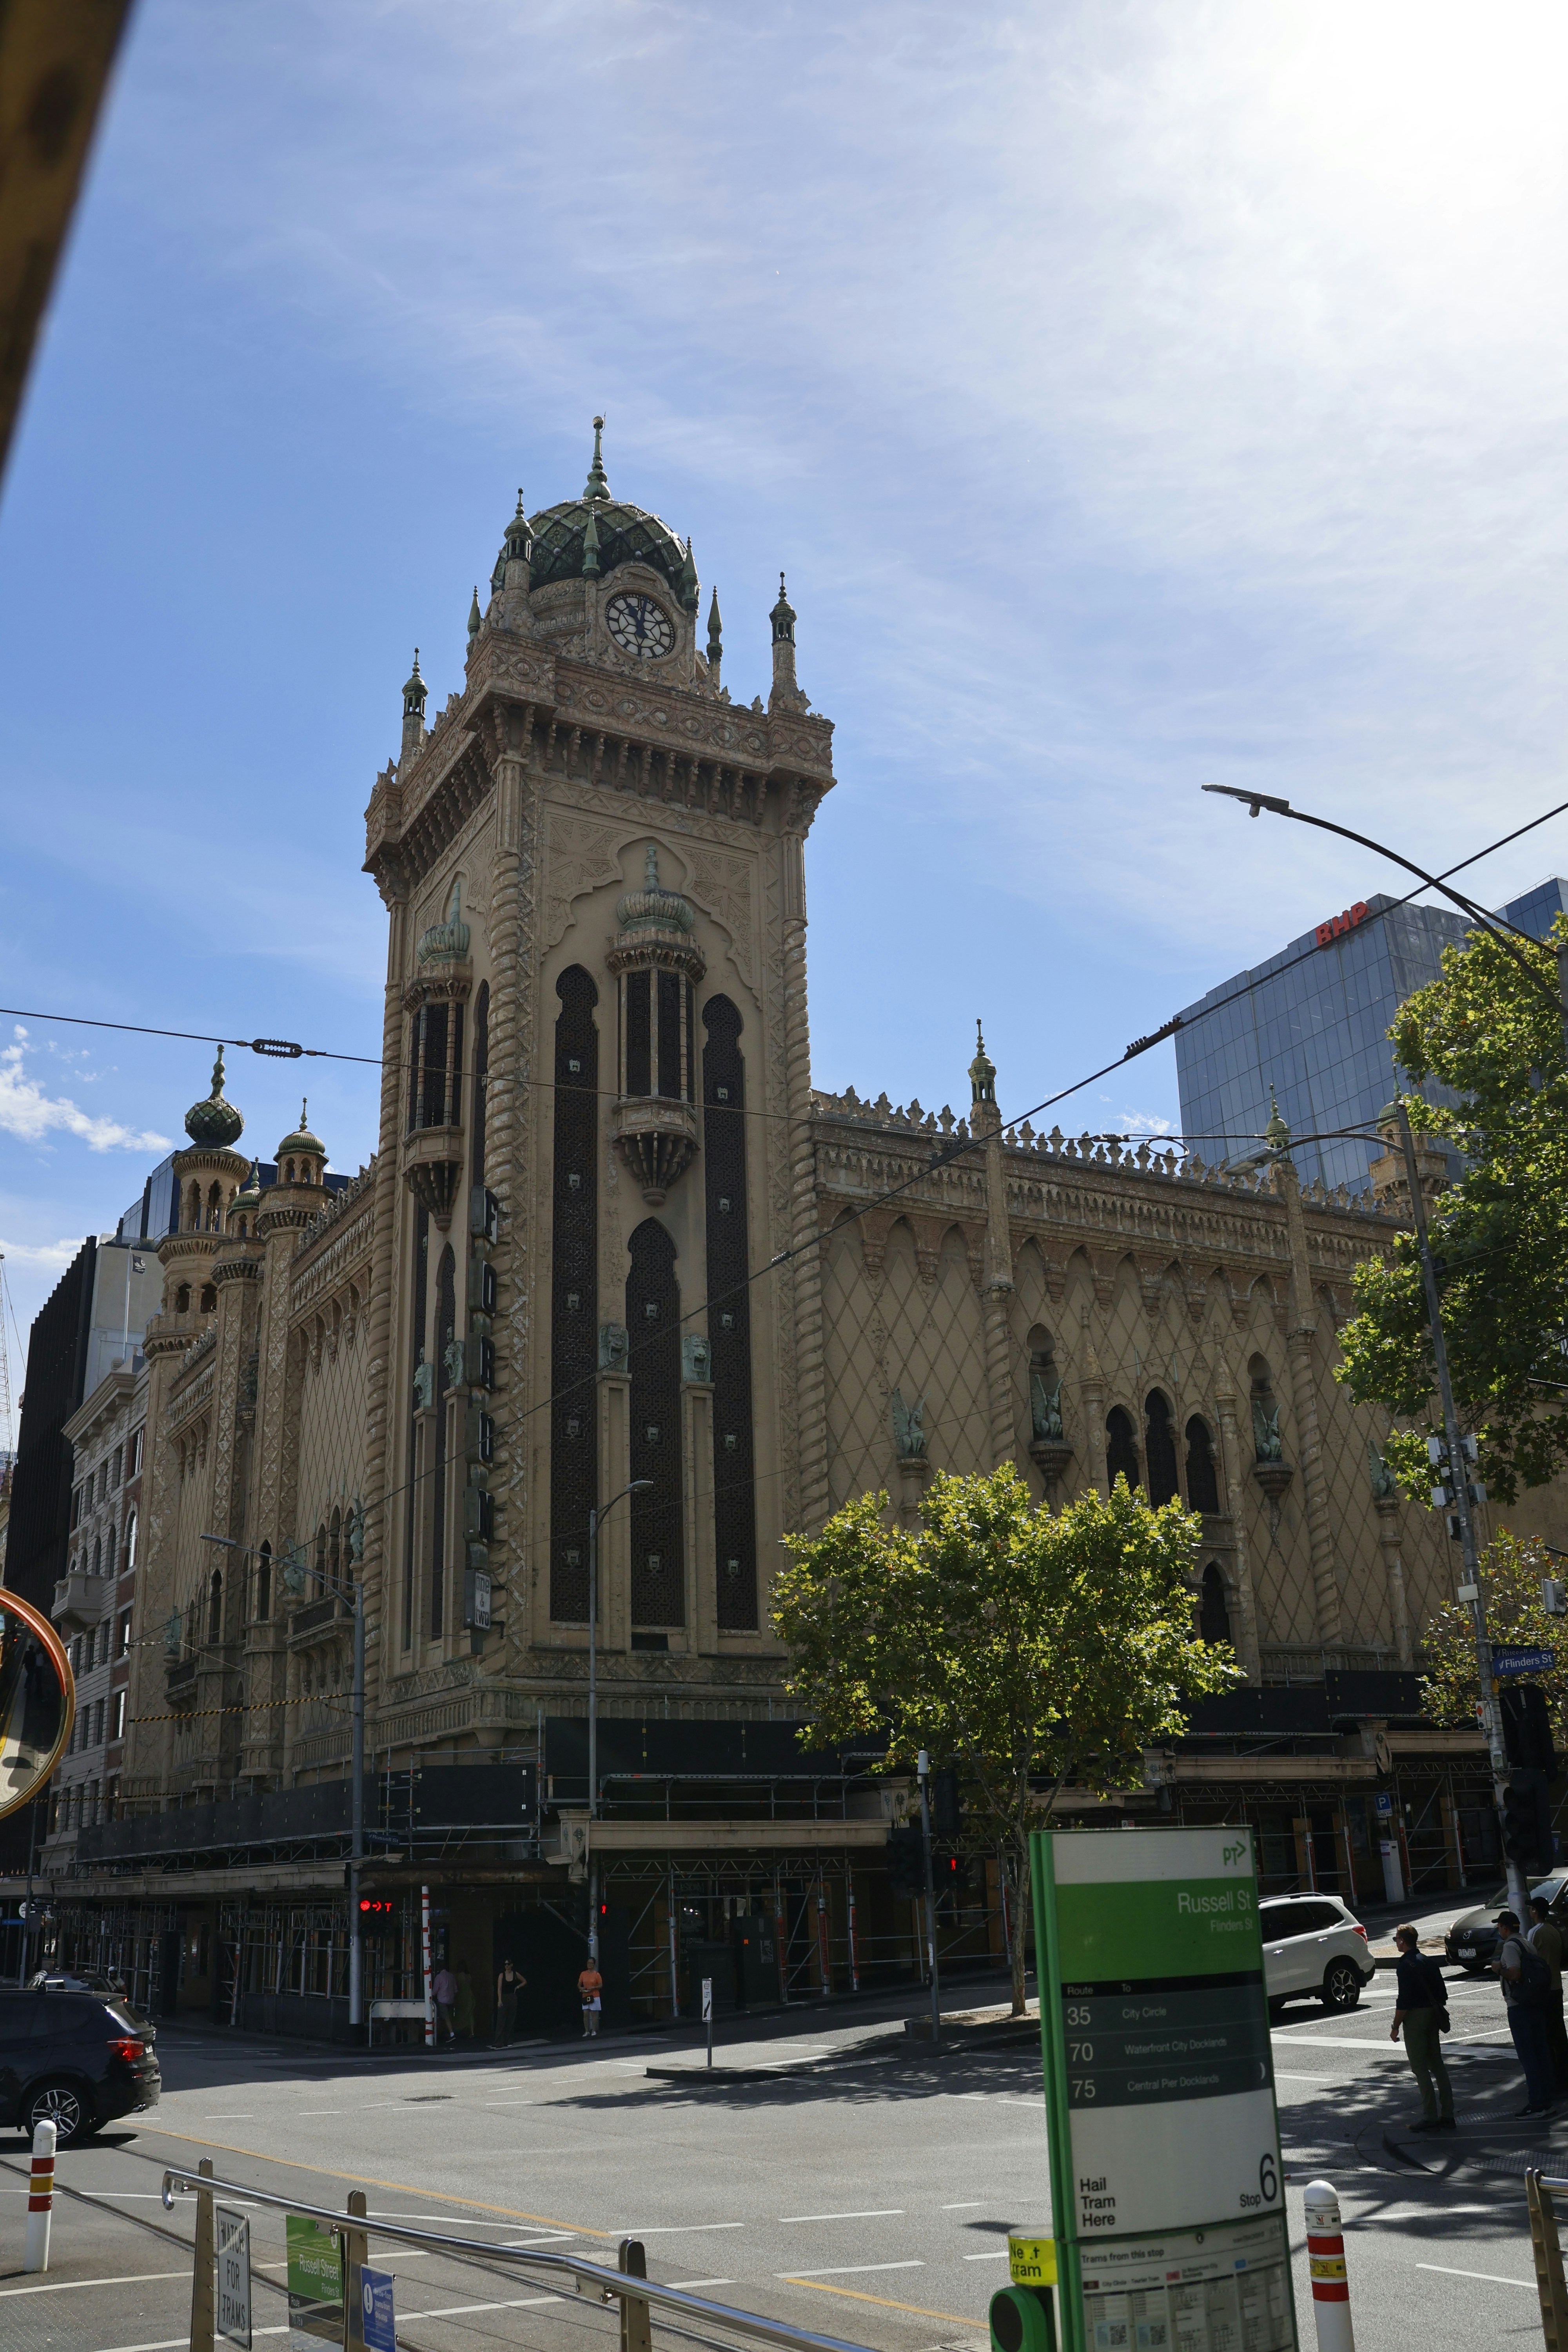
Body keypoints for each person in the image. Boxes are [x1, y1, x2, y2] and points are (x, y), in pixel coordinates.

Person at [1388, 1924, 1453, 2131]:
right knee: (1437, 2064)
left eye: (1396, 1939)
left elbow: (1404, 2001)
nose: (1396, 1943)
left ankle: (1430, 2116)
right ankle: (1448, 2114)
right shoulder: (1428, 1962)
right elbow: (1443, 1994)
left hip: (1415, 2018)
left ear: (1402, 1941)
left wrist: (1395, 2026)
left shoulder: (1405, 1965)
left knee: (1420, 2068)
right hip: (1433, 2015)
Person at [1495, 1907, 1555, 2115]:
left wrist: (1498, 1969)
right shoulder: (1527, 1944)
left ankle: (1537, 2102)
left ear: (1504, 1928)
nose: (1499, 1930)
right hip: (1536, 2004)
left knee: (1528, 2055)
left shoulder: (1511, 1947)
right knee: (1541, 2052)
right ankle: (1546, 2099)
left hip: (1520, 2006)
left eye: (1499, 1927)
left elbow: (1514, 1973)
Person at [1529, 1897, 1568, 2095]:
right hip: (1557, 1986)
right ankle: (1564, 2075)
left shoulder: (1535, 1932)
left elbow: (1529, 1958)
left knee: (1546, 2036)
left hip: (1543, 1990)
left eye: (1531, 1909)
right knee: (1559, 2034)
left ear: (1535, 1911)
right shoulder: (1554, 1930)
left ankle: (1553, 2078)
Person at [494, 1955, 524, 2046]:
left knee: (511, 2020)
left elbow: (524, 1981)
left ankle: (509, 2041)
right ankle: (499, 2042)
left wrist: (518, 1987)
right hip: (504, 1997)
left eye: (508, 1964)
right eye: (505, 1964)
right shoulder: (502, 1975)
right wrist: (499, 2000)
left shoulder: (515, 1974)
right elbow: (499, 1989)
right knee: (501, 2021)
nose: (507, 1966)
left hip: (512, 1997)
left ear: (512, 1965)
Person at [578, 1958, 604, 2038]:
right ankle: (587, 2031)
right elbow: (579, 1984)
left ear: (594, 1965)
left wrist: (594, 1988)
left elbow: (601, 1985)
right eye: (588, 1963)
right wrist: (581, 1988)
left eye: (591, 1963)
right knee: (586, 2013)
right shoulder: (583, 1974)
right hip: (586, 1995)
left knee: (594, 2014)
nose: (590, 1964)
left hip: (594, 1995)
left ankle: (594, 2030)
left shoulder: (597, 1974)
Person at [432, 1961, 457, 2044]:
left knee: (445, 2018)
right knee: (446, 2018)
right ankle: (441, 2033)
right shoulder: (452, 1976)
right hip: (451, 2000)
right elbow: (456, 1990)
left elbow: (435, 1991)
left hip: (442, 2001)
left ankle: (452, 2034)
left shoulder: (439, 1977)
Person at [454, 1964, 475, 2042]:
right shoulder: (469, 1976)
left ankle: (459, 2030)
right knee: (470, 2014)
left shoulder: (459, 1976)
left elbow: (458, 1986)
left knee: (460, 2013)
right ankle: (472, 2032)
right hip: (470, 1995)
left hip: (462, 1997)